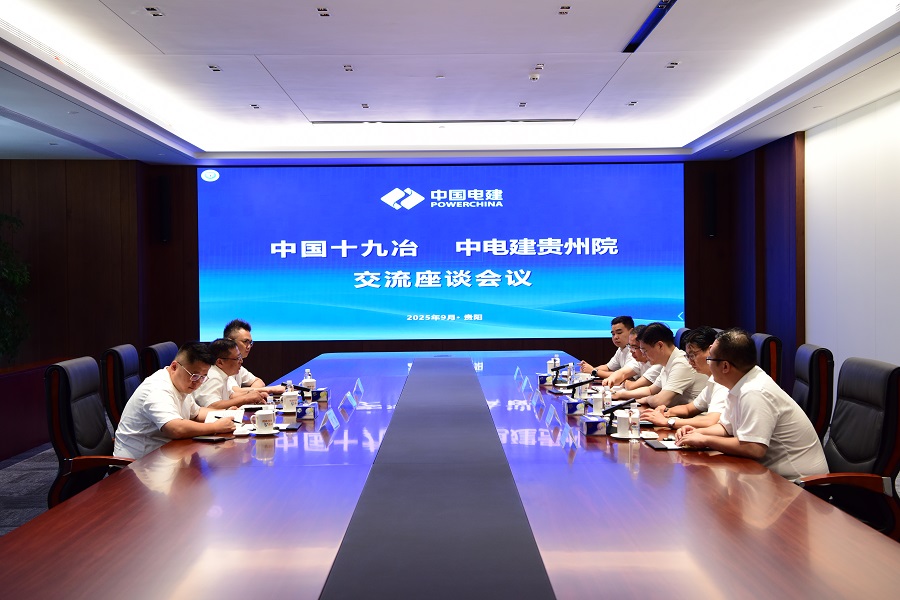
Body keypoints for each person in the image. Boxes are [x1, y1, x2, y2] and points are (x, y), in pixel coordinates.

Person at [676, 329, 828, 479]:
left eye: (710, 359)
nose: (708, 364)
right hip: (770, 475)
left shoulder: (754, 391)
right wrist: (696, 433)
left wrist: (705, 440)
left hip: (799, 483)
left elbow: (753, 448)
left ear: (725, 366)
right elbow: (726, 428)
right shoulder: (739, 382)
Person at [113, 342, 237, 460]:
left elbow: (196, 413)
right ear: (174, 367)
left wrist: (226, 413)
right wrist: (215, 427)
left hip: (165, 454)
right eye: (194, 376)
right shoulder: (157, 389)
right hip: (137, 466)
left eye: (203, 377)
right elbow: (175, 429)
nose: (198, 382)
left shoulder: (181, 382)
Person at [641, 326, 728, 429]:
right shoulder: (712, 380)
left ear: (711, 351)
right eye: (688, 356)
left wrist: (668, 421)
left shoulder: (723, 383)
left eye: (693, 355)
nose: (690, 361)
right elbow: (688, 409)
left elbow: (710, 421)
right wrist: (666, 412)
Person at [611, 322, 706, 408]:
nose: (643, 355)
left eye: (645, 351)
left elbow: (660, 401)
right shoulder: (667, 362)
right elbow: (650, 390)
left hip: (694, 417)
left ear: (660, 345)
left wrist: (646, 399)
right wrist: (620, 395)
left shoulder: (681, 363)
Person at [192, 338, 272, 409]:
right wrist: (246, 398)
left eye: (240, 357)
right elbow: (212, 406)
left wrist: (254, 395)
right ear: (220, 362)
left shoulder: (223, 374)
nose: (241, 361)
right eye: (237, 358)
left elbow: (231, 396)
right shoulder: (213, 376)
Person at [602, 324, 661, 389]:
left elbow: (633, 386)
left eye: (634, 347)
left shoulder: (659, 363)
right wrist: (611, 379)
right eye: (630, 346)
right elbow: (622, 373)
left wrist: (625, 383)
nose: (631, 351)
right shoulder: (639, 361)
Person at [224, 319, 267, 388]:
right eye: (245, 341)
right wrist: (271, 389)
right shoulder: (222, 366)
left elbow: (259, 381)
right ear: (230, 342)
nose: (249, 346)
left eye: (250, 342)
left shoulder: (238, 366)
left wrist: (251, 392)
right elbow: (235, 392)